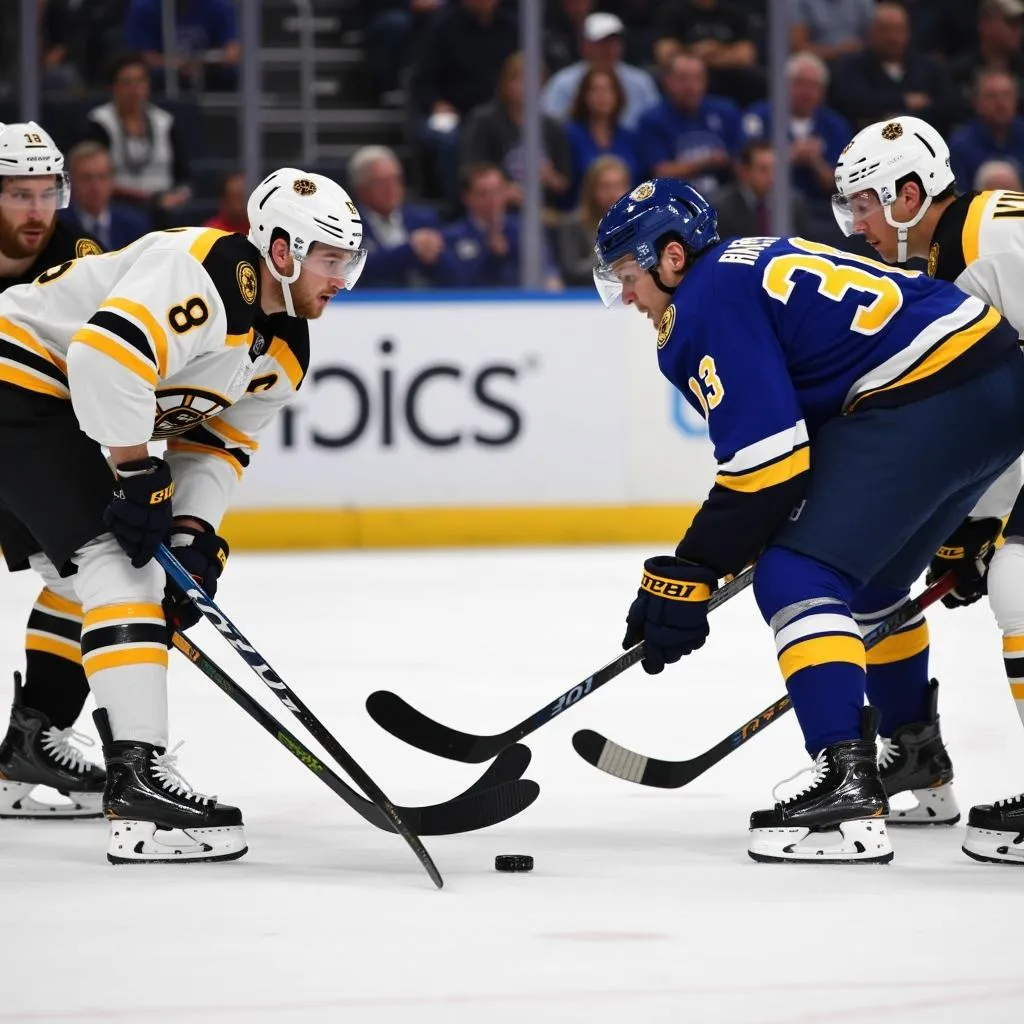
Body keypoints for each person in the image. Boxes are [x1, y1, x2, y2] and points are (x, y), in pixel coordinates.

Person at [592, 177, 1024, 863]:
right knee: (873, 583)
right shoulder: (747, 262)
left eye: (628, 277)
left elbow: (767, 466)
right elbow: (798, 444)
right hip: (997, 385)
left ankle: (844, 786)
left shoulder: (702, 302)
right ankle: (915, 758)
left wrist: (690, 570)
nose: (629, 299)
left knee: (797, 574)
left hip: (926, 394)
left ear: (672, 258)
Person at [0, 166, 366, 863]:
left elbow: (217, 446)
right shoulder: (208, 270)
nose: (340, 278)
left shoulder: (287, 346)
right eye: (329, 259)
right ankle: (141, 792)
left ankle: (28, 746)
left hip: (44, 406)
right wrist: (138, 474)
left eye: (348, 261)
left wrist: (195, 536)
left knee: (83, 579)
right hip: (17, 383)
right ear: (281, 251)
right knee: (119, 571)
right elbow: (103, 356)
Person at [833, 114, 1024, 862]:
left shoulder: (985, 246)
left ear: (910, 194)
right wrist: (982, 517)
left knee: (1019, 578)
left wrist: (989, 519)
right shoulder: (953, 254)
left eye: (866, 204)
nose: (858, 225)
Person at [0, 123, 106, 821]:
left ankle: (28, 744)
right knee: (82, 575)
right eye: (18, 195)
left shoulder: (79, 255)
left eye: (47, 193)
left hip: (26, 438)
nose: (37, 210)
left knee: (80, 574)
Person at [83, 52, 193, 225]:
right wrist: (145, 198)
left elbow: (183, 176)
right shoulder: (100, 123)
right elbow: (94, 173)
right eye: (127, 82)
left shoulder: (164, 122)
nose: (135, 89)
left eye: (140, 81)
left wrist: (175, 197)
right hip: (118, 205)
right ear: (112, 88)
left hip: (164, 207)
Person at [347, 145, 450, 289]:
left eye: (396, 179)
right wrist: (409, 250)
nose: (391, 188)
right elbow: (355, 271)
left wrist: (437, 256)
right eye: (381, 182)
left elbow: (453, 272)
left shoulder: (423, 220)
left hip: (423, 306)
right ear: (361, 188)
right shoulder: (348, 228)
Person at [713, 140, 815, 239]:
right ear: (744, 171)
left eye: (775, 169)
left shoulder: (793, 204)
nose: (772, 177)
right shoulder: (723, 210)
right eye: (763, 170)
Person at [555, 154, 632, 286]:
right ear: (591, 190)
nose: (612, 193)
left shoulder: (640, 224)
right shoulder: (573, 225)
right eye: (605, 186)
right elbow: (571, 272)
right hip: (586, 301)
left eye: (618, 186)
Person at [61, 142, 152, 252]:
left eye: (102, 177)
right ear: (71, 181)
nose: (95, 187)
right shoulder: (60, 227)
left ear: (112, 180)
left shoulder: (134, 225)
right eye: (86, 178)